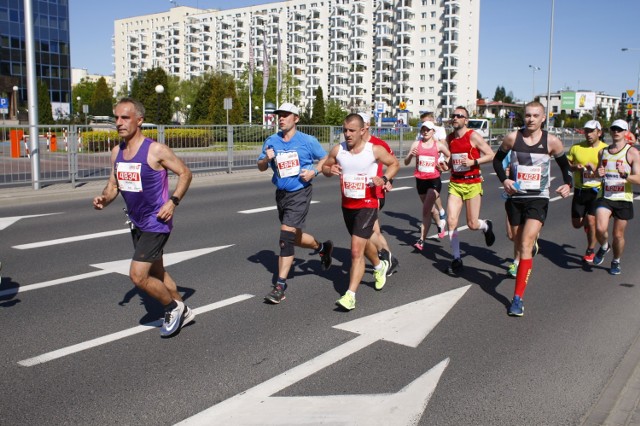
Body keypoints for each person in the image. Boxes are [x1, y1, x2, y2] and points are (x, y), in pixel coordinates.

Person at [93, 97, 194, 338]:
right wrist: (104, 199)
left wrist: (173, 201)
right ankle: (185, 310)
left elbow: (185, 173)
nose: (119, 122)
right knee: (157, 273)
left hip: (156, 221)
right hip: (136, 221)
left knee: (138, 276)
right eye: (116, 117)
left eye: (125, 117)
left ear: (139, 120)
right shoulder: (117, 151)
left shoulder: (155, 150)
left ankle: (172, 308)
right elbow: (113, 184)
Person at [492, 101, 573, 317]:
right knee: (514, 238)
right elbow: (497, 161)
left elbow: (566, 168)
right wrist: (505, 181)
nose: (530, 119)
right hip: (516, 196)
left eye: (535, 115)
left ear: (543, 118)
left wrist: (568, 184)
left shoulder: (552, 142)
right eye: (527, 115)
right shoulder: (512, 138)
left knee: (525, 244)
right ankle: (530, 244)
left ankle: (517, 299)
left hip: (538, 198)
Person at [322, 113, 400, 311]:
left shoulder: (373, 150)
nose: (347, 134)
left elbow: (394, 164)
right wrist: (329, 171)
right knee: (363, 245)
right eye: (344, 130)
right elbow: (326, 166)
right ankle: (379, 266)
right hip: (348, 204)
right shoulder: (339, 150)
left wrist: (384, 178)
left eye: (352, 131)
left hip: (368, 203)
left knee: (356, 250)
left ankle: (350, 295)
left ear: (362, 131)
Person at [257, 102, 332, 304]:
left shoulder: (307, 141)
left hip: (300, 192)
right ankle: (322, 247)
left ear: (296, 118)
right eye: (279, 115)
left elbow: (326, 158)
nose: (281, 118)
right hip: (281, 193)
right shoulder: (271, 140)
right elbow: (261, 167)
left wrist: (314, 172)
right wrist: (266, 159)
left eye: (286, 115)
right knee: (293, 237)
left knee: (284, 237)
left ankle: (280, 286)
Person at [443, 106, 496, 274]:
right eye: (454, 115)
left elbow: (491, 154)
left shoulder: (473, 136)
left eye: (460, 116)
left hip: (472, 183)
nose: (455, 118)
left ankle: (486, 225)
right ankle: (456, 258)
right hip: (456, 183)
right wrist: (445, 165)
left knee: (472, 224)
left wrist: (473, 163)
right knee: (451, 221)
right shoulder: (450, 138)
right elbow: (451, 160)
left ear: (466, 120)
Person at [592, 119, 640, 275]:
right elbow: (598, 173)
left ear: (626, 132)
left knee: (618, 235)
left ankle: (616, 260)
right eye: (613, 128)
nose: (616, 131)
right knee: (599, 228)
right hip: (605, 195)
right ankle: (605, 246)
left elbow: (638, 179)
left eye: (620, 129)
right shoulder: (603, 152)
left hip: (623, 198)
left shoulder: (632, 153)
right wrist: (597, 173)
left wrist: (625, 174)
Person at [358, 112, 399, 276]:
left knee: (368, 231)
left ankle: (386, 258)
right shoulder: (352, 144)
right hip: (356, 193)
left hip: (375, 194)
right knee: (372, 231)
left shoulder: (378, 144)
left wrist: (388, 180)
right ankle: (387, 258)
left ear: (366, 125)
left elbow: (393, 164)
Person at [404, 120, 451, 251]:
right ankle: (440, 224)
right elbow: (406, 162)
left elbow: (450, 156)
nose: (425, 132)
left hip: (434, 180)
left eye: (428, 130)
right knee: (430, 210)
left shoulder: (438, 146)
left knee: (425, 210)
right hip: (420, 181)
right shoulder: (416, 144)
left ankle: (421, 240)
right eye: (423, 129)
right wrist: (410, 156)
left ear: (433, 132)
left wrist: (445, 166)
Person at [566, 120, 607, 263]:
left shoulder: (605, 149)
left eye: (591, 131)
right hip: (580, 190)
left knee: (591, 219)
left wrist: (597, 171)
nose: (588, 134)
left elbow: (609, 171)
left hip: (598, 190)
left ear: (599, 133)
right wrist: (575, 167)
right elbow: (567, 164)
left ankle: (590, 249)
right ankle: (590, 227)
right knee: (577, 224)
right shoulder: (576, 147)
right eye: (586, 131)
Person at [417, 112, 448, 231]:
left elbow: (442, 144)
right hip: (422, 167)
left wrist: (432, 135)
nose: (423, 125)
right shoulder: (421, 131)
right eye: (422, 122)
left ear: (432, 120)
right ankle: (438, 211)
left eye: (425, 121)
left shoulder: (439, 130)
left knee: (432, 190)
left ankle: (438, 212)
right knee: (425, 194)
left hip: (436, 164)